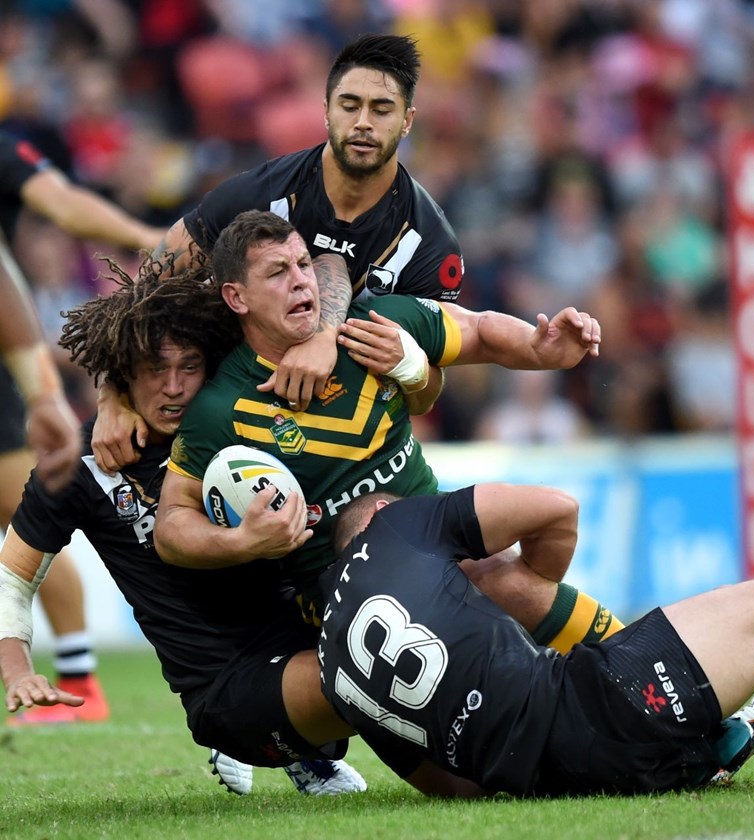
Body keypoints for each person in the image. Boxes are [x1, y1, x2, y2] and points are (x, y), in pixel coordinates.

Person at [152, 209, 628, 775]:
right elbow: (171, 523)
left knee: (508, 577)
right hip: (349, 600)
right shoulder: (221, 409)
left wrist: (539, 348)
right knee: (459, 778)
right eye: (278, 272)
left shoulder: (371, 326)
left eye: (304, 264)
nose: (301, 280)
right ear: (237, 298)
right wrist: (244, 542)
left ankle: (632, 671)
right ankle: (595, 692)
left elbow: (473, 328)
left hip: (444, 542)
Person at [0, 261, 365, 797]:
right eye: (153, 369)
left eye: (189, 367)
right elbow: (13, 579)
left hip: (303, 637)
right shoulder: (82, 465)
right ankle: (288, 746)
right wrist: (18, 673)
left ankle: (309, 753)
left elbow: (329, 276)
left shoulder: (243, 413)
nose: (173, 387)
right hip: (222, 687)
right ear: (123, 372)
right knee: (380, 681)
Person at [93, 32, 464, 472]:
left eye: (381, 109)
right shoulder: (253, 195)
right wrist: (111, 399)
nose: (363, 122)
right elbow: (140, 295)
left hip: (343, 448)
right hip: (220, 413)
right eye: (349, 105)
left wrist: (411, 367)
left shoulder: (431, 246)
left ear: (407, 121)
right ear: (325, 111)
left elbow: (426, 393)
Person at [319, 484, 754, 798]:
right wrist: (536, 576)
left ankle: (700, 743)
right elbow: (556, 508)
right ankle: (698, 731)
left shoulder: (330, 667)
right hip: (600, 702)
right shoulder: (395, 527)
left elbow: (454, 788)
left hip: (569, 777)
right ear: (383, 512)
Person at [0, 128, 166, 726]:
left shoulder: (3, 147)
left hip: (6, 377)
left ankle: (77, 677)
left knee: (28, 515)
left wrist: (149, 238)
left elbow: (64, 204)